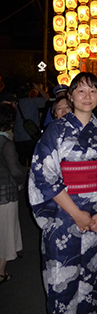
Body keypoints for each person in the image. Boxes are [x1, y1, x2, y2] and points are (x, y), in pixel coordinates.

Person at [28, 72, 97, 313]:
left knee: (94, 280)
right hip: (63, 216)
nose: (87, 96)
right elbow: (44, 174)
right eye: (81, 91)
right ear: (71, 96)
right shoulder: (55, 131)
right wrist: (76, 214)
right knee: (60, 281)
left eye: (93, 91)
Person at [0, 102, 26, 284]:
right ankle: (0, 272)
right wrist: (25, 175)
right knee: (5, 234)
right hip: (4, 195)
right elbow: (16, 171)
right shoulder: (6, 144)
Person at [14, 82, 49, 166]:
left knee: (21, 161)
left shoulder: (14, 104)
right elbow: (47, 99)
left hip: (18, 137)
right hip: (32, 135)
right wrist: (38, 88)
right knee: (33, 161)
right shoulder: (33, 102)